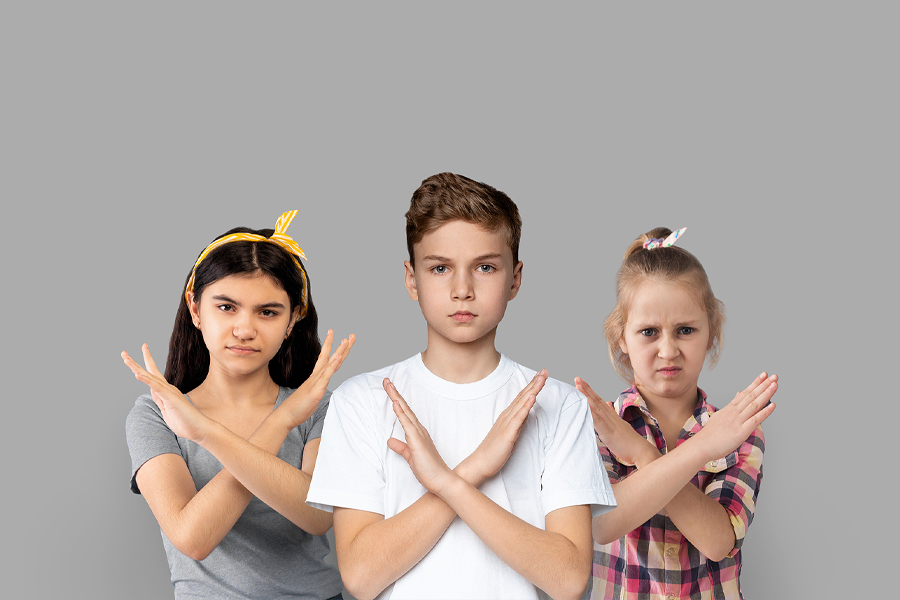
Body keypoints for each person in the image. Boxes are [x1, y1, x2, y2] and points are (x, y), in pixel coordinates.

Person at [306, 173, 616, 600]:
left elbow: (568, 580)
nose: (462, 290)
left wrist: (450, 483)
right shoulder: (360, 401)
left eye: (485, 267)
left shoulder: (558, 404)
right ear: (411, 279)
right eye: (439, 268)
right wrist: (475, 468)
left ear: (515, 278)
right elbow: (360, 576)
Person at [123, 211, 354, 600]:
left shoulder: (317, 408)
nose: (245, 329)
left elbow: (319, 516)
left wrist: (212, 432)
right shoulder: (155, 415)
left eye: (267, 312)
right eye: (226, 307)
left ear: (293, 319)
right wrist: (278, 423)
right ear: (196, 309)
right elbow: (193, 538)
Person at [574, 227, 777, 600]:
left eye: (685, 330)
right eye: (649, 332)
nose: (668, 351)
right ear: (622, 337)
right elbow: (602, 525)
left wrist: (642, 455)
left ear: (710, 331)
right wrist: (701, 450)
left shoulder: (739, 429)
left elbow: (718, 541)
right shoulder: (597, 423)